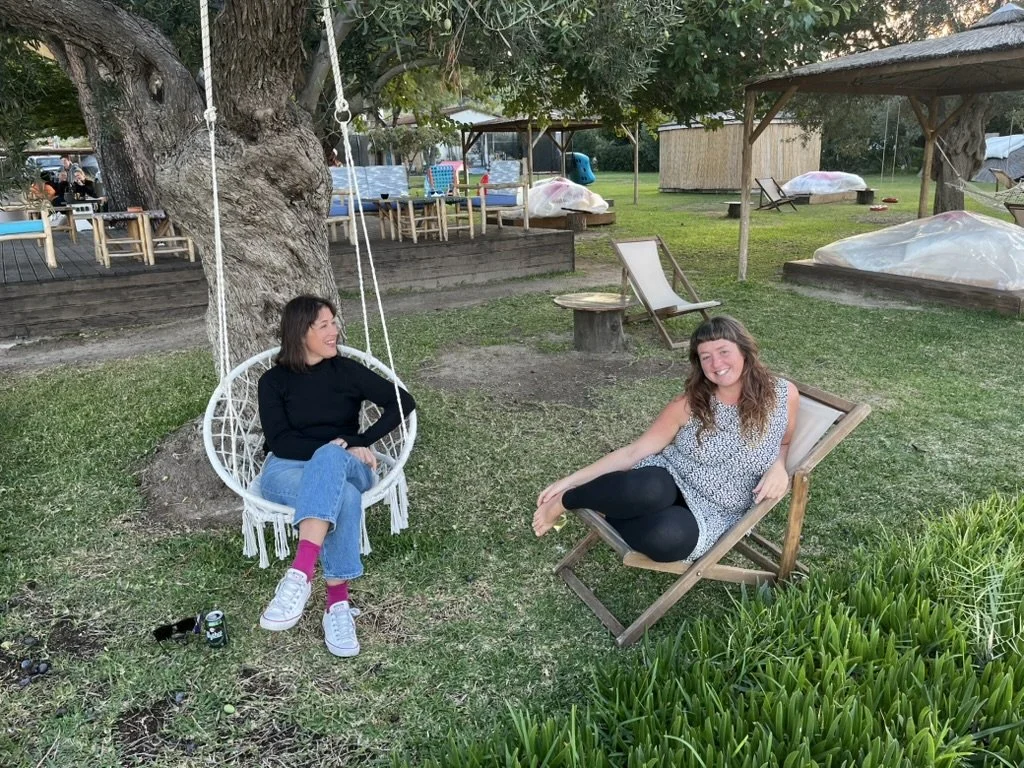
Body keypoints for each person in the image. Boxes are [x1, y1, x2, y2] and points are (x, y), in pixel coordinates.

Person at [533, 315, 798, 563]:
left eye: (724, 352)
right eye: (706, 357)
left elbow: (783, 442)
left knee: (668, 538)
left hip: (718, 512)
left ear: (744, 351)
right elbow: (634, 452)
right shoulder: (690, 404)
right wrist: (569, 481)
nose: (716, 364)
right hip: (668, 479)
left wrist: (779, 468)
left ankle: (611, 506)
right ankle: (568, 500)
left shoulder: (783, 395)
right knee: (649, 490)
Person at [257, 295, 416, 657]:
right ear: (300, 333)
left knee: (332, 464)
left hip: (349, 464)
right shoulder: (273, 381)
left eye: (334, 322)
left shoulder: (345, 371)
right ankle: (337, 605)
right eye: (324, 325)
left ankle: (299, 575)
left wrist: (358, 443)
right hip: (287, 470)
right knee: (341, 496)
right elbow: (280, 442)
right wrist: (335, 447)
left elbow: (402, 401)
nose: (335, 331)